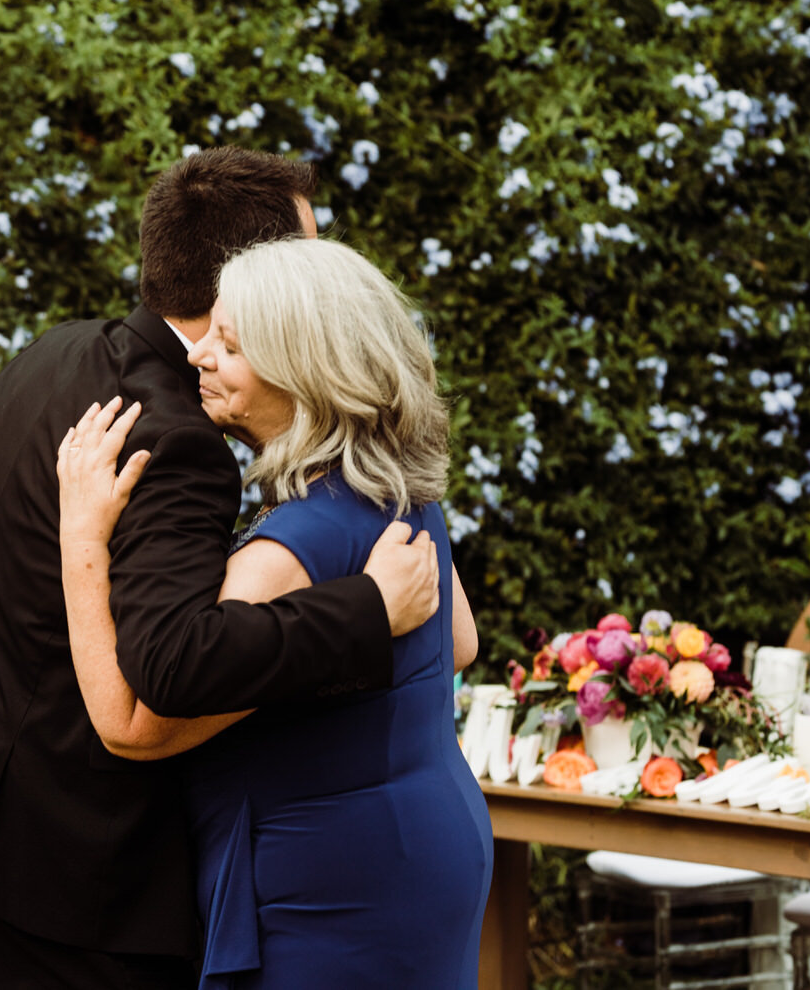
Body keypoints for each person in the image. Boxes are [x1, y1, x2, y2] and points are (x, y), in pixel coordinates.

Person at [0, 147, 443, 988]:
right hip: (86, 867)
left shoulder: (53, 354)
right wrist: (368, 613)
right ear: (244, 281)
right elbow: (177, 663)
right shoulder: (180, 440)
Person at [56, 236, 492, 988]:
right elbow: (457, 642)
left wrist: (80, 536)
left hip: (327, 884)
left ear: (301, 370)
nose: (198, 356)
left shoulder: (290, 549)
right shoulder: (396, 489)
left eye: (230, 346)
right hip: (429, 837)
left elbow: (133, 724)